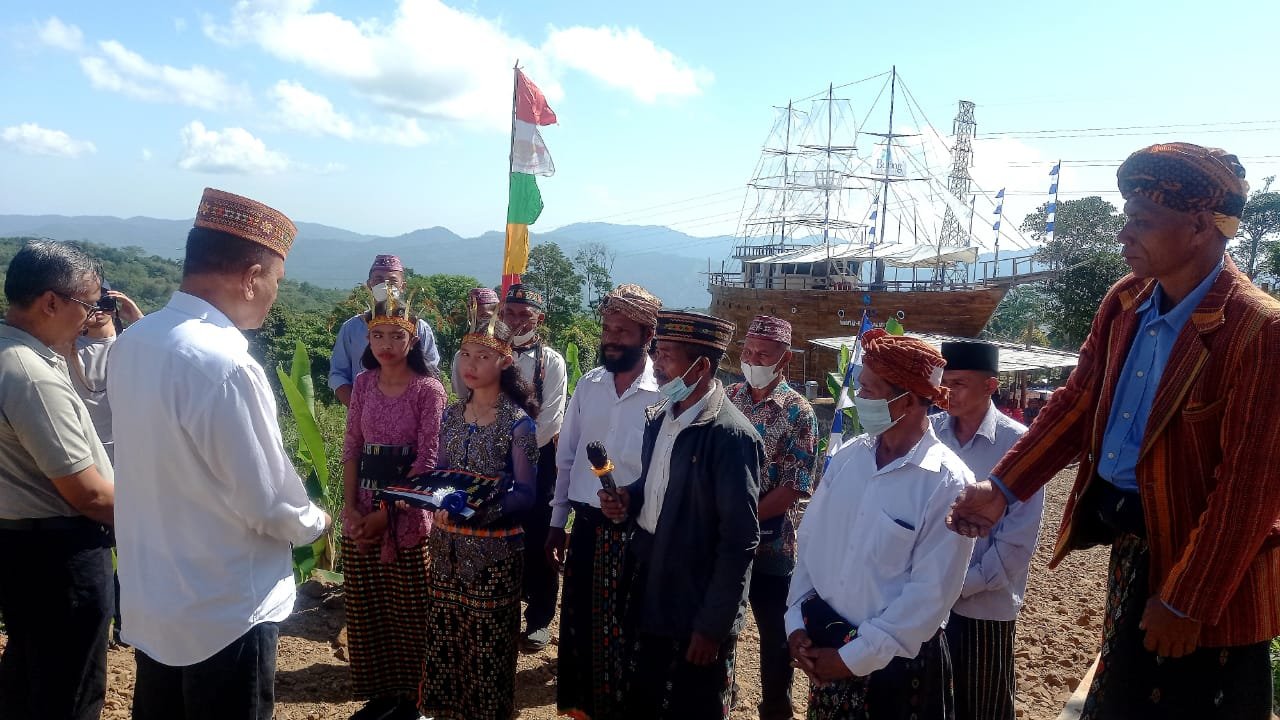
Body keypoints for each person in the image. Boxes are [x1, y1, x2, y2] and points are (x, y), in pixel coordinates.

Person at [948, 142, 1280, 720]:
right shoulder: (1126, 302)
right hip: (1133, 552)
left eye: (1141, 220)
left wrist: (1187, 601)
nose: (1124, 234)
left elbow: (1249, 490)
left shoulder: (1258, 330)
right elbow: (1076, 406)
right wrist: (1000, 489)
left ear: (1200, 226)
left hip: (1213, 583)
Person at [109, 188, 331, 720]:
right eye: (276, 280)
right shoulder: (225, 363)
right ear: (252, 276)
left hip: (155, 601)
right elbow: (268, 505)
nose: (275, 294)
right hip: (225, 611)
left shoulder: (135, 342)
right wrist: (317, 523)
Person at [785, 329, 975, 720]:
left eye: (869, 390)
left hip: (896, 671)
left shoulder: (948, 482)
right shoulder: (849, 457)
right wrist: (796, 622)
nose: (859, 398)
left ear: (908, 400)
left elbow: (930, 595)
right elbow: (811, 541)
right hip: (827, 648)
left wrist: (853, 658)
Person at [600, 310, 764, 720]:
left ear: (701, 366)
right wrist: (629, 499)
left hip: (694, 595)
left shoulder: (730, 437)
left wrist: (713, 625)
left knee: (690, 702)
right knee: (641, 695)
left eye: (667, 355)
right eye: (657, 352)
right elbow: (657, 487)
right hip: (649, 578)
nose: (656, 363)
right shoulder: (660, 417)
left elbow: (740, 539)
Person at [0, 241, 115, 720]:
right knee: (69, 691)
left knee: (27, 679)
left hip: (22, 548)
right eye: (86, 305)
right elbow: (87, 493)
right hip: (60, 559)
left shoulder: (13, 353)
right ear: (50, 302)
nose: (88, 319)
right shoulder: (30, 375)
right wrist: (165, 520)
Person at [547, 284, 663, 720]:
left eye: (623, 331)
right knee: (580, 628)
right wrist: (557, 523)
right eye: (608, 329)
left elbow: (665, 468)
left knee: (628, 631)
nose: (611, 339)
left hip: (639, 532)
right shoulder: (589, 385)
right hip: (586, 527)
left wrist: (632, 501)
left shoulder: (665, 393)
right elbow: (567, 458)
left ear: (647, 336)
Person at [417, 309, 539, 720]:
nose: (470, 364)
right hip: (447, 549)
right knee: (446, 638)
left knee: (488, 647)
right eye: (466, 354)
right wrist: (435, 501)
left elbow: (526, 494)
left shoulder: (519, 425)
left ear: (505, 361)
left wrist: (479, 512)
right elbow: (442, 472)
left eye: (483, 356)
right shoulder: (451, 415)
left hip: (494, 555)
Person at [339, 288, 446, 719]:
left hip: (406, 512)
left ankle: (414, 698)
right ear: (368, 339)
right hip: (363, 507)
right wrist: (351, 507)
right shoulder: (363, 384)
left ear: (413, 339)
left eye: (396, 336)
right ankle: (380, 695)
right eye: (378, 335)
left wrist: (387, 513)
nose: (386, 345)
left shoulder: (428, 390)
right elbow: (352, 444)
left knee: (411, 609)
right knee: (369, 607)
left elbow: (427, 460)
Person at [931, 340, 1042, 720]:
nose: (947, 392)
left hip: (983, 605)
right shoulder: (930, 434)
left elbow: (1017, 544)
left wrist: (956, 586)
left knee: (983, 705)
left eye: (959, 383)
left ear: (990, 386)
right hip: (925, 600)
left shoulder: (1018, 446)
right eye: (944, 383)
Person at [724, 315, 819, 720]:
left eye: (762, 355)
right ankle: (723, 695)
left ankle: (777, 707)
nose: (751, 360)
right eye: (747, 352)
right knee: (722, 623)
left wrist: (741, 518)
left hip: (772, 544)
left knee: (775, 634)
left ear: (784, 360)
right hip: (725, 539)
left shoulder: (799, 413)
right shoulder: (728, 398)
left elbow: (795, 486)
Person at [497, 284, 567, 651]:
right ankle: (501, 611)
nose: (516, 321)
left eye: (525, 315)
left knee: (540, 537)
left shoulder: (550, 362)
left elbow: (551, 419)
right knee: (499, 534)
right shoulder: (488, 352)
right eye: (509, 313)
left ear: (539, 318)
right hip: (494, 460)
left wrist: (514, 453)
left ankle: (539, 619)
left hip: (538, 462)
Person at [330, 254, 441, 406]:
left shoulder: (419, 327)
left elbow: (431, 371)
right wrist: (359, 409)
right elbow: (338, 375)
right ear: (369, 284)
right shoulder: (352, 327)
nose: (385, 285)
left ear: (403, 286)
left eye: (392, 281)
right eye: (379, 280)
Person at [60, 280, 144, 465]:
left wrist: (139, 320)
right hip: (81, 446)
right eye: (90, 303)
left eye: (104, 302)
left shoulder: (132, 343)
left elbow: (163, 358)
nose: (97, 308)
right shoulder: (66, 346)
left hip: (127, 447)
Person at [450, 287, 500, 395]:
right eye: (472, 317)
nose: (477, 322)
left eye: (485, 317)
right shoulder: (460, 357)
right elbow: (461, 395)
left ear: (498, 315)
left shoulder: (513, 353)